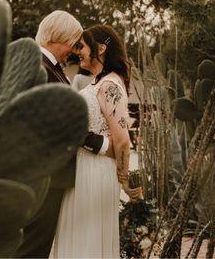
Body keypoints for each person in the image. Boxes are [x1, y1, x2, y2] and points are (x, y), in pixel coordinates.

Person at [15, 11, 112, 258]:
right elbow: (60, 123)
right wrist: (102, 144)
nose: (74, 49)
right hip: (44, 177)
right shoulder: (40, 69)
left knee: (35, 245)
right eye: (73, 42)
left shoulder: (48, 67)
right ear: (59, 37)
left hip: (46, 176)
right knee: (33, 247)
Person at [50, 25, 143, 258]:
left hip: (95, 173)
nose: (76, 51)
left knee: (87, 241)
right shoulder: (96, 83)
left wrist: (124, 181)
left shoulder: (110, 85)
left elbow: (122, 140)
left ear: (100, 49)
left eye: (81, 46)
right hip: (81, 170)